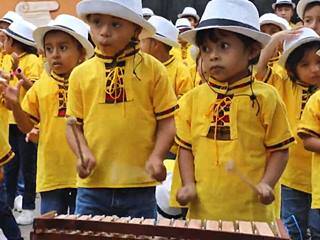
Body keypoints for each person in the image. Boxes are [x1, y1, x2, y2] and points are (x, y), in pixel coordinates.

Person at [171, 0, 294, 222]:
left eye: (224, 46)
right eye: (206, 49)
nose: (213, 55)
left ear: (253, 50)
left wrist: (267, 182)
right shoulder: (192, 99)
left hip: (252, 215)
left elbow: (280, 149)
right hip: (203, 213)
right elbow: (186, 149)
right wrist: (188, 184)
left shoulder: (267, 97)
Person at [66, 0, 177, 218]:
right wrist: (82, 153)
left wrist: (157, 156)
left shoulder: (154, 69)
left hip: (140, 186)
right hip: (92, 186)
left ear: (136, 29)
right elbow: (72, 126)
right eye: (97, 23)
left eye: (115, 25)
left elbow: (167, 121)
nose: (104, 32)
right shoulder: (80, 74)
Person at [2, 14, 94, 215]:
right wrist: (16, 106)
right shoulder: (41, 86)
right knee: (51, 230)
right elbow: (26, 127)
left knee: (82, 230)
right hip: (52, 173)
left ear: (81, 52)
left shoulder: (90, 83)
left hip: (87, 172)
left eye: (63, 47)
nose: (55, 55)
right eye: (49, 49)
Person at [257, 27, 320, 239]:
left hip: (318, 176)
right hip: (292, 175)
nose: (314, 69)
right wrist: (278, 38)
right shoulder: (282, 84)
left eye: (319, 62)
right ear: (291, 70)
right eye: (304, 64)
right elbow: (260, 67)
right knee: (292, 228)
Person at [1, 18, 40, 225]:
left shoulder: (32, 59)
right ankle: (7, 206)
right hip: (10, 118)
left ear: (15, 42)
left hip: (27, 118)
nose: (3, 43)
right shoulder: (7, 59)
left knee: (28, 165)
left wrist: (19, 72)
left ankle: (28, 207)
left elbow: (34, 86)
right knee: (11, 165)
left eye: (5, 39)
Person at [140, 15, 193, 98]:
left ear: (155, 44)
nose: (139, 46)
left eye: (142, 41)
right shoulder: (141, 67)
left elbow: (185, 102)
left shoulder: (180, 71)